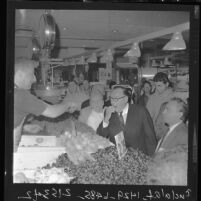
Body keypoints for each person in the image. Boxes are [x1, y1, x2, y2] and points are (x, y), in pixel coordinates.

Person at [14, 58, 76, 152]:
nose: (34, 79)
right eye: (31, 74)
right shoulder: (22, 95)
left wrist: (24, 127)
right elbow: (53, 112)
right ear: (20, 74)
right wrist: (68, 104)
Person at [97, 86, 157, 156]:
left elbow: (150, 137)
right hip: (118, 158)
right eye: (111, 99)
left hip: (140, 156)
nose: (112, 102)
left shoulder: (140, 111)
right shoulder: (109, 113)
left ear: (125, 99)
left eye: (116, 99)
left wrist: (153, 158)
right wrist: (106, 119)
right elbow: (100, 136)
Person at [146, 72, 175, 138]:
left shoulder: (173, 97)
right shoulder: (152, 97)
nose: (157, 88)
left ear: (167, 84)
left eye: (159, 85)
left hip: (168, 133)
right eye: (155, 86)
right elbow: (147, 116)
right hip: (153, 132)